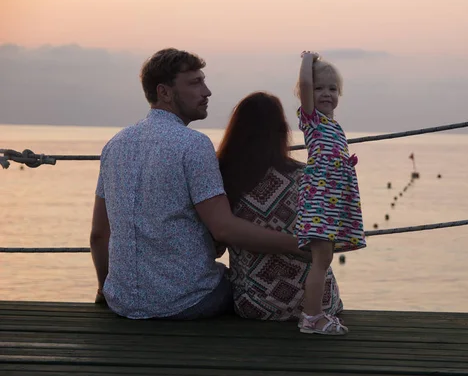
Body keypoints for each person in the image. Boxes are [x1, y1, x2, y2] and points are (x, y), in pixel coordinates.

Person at [90, 48, 306, 320]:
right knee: (248, 289)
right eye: (195, 83)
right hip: (187, 301)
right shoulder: (193, 145)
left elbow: (99, 234)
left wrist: (104, 289)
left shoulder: (115, 145)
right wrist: (298, 245)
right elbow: (224, 228)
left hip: (122, 302)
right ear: (164, 92)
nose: (207, 91)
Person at [216, 91, 344, 322]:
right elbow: (329, 242)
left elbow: (215, 248)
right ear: (283, 131)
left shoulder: (221, 178)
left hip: (255, 305)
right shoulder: (307, 176)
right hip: (320, 304)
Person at [294, 51, 366, 335]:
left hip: (333, 201)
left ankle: (316, 314)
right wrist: (307, 60)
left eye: (333, 88)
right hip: (320, 201)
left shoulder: (334, 126)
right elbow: (305, 86)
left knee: (324, 259)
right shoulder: (311, 120)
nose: (326, 94)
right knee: (320, 261)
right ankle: (312, 317)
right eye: (319, 88)